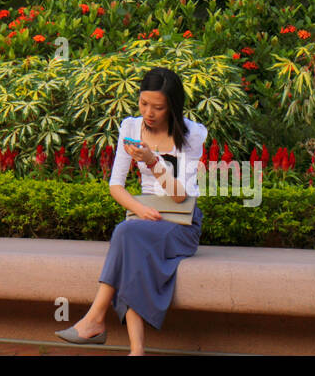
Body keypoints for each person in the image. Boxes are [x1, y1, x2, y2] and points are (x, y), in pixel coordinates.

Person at [56, 67, 207, 355]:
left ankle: (96, 319)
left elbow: (179, 197)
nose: (149, 112)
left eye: (158, 107)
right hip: (144, 219)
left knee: (126, 234)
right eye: (143, 103)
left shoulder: (191, 135)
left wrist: (153, 161)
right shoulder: (129, 128)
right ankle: (135, 350)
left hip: (182, 224)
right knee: (129, 239)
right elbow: (116, 186)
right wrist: (140, 208)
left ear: (172, 106)